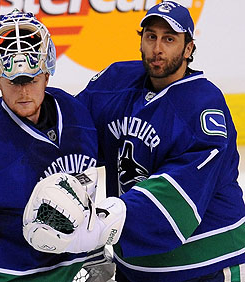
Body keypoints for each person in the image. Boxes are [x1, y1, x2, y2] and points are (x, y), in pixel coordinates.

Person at [76, 1, 245, 281]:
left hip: (205, 263)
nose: (157, 48)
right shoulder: (116, 83)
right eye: (151, 36)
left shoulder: (203, 105)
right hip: (136, 268)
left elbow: (182, 188)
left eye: (169, 39)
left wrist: (105, 220)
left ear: (188, 48)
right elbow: (72, 132)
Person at [0, 9, 98, 281]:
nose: (23, 92)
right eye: (13, 82)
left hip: (64, 273)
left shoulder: (75, 115)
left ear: (47, 75)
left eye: (32, 80)